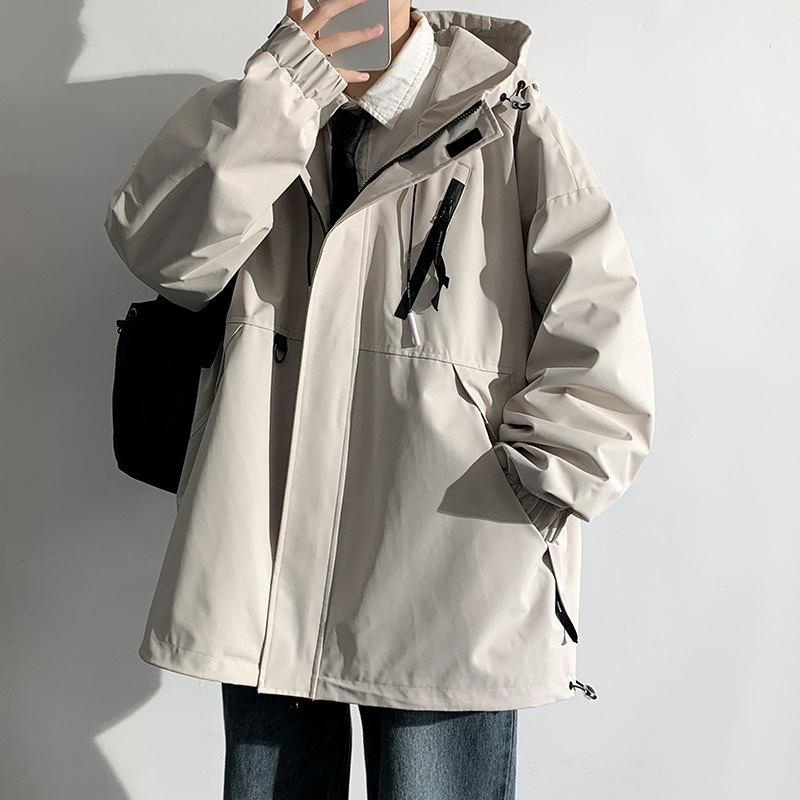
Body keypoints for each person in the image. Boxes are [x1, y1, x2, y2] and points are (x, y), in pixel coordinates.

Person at [104, 0, 655, 797]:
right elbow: (162, 253)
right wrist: (290, 87)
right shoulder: (261, 119)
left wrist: (524, 505)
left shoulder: (507, 124)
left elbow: (602, 340)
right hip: (270, 558)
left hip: (450, 564)